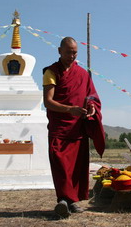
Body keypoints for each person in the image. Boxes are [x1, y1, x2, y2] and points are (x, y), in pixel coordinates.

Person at [43, 37, 105, 218]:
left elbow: (91, 97)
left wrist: (92, 108)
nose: (72, 56)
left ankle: (72, 201)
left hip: (77, 128)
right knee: (61, 165)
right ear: (59, 51)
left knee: (77, 166)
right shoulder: (51, 72)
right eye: (68, 52)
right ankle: (63, 199)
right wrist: (70, 109)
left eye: (75, 52)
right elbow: (48, 101)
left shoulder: (83, 74)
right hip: (60, 128)